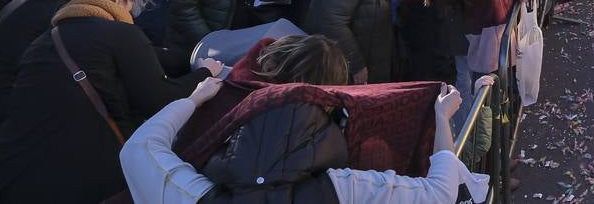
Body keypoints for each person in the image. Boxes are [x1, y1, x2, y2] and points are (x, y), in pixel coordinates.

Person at [119, 37, 485, 203]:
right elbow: (441, 192)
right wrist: (440, 118)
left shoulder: (192, 192)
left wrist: (193, 100)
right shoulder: (344, 187)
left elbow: (138, 146)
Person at [0, 0, 218, 204]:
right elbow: (158, 100)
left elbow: (158, 57)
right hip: (82, 177)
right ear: (118, 0)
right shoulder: (120, 32)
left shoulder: (42, 42)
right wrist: (204, 74)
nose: (132, 16)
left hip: (15, 174)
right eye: (131, 7)